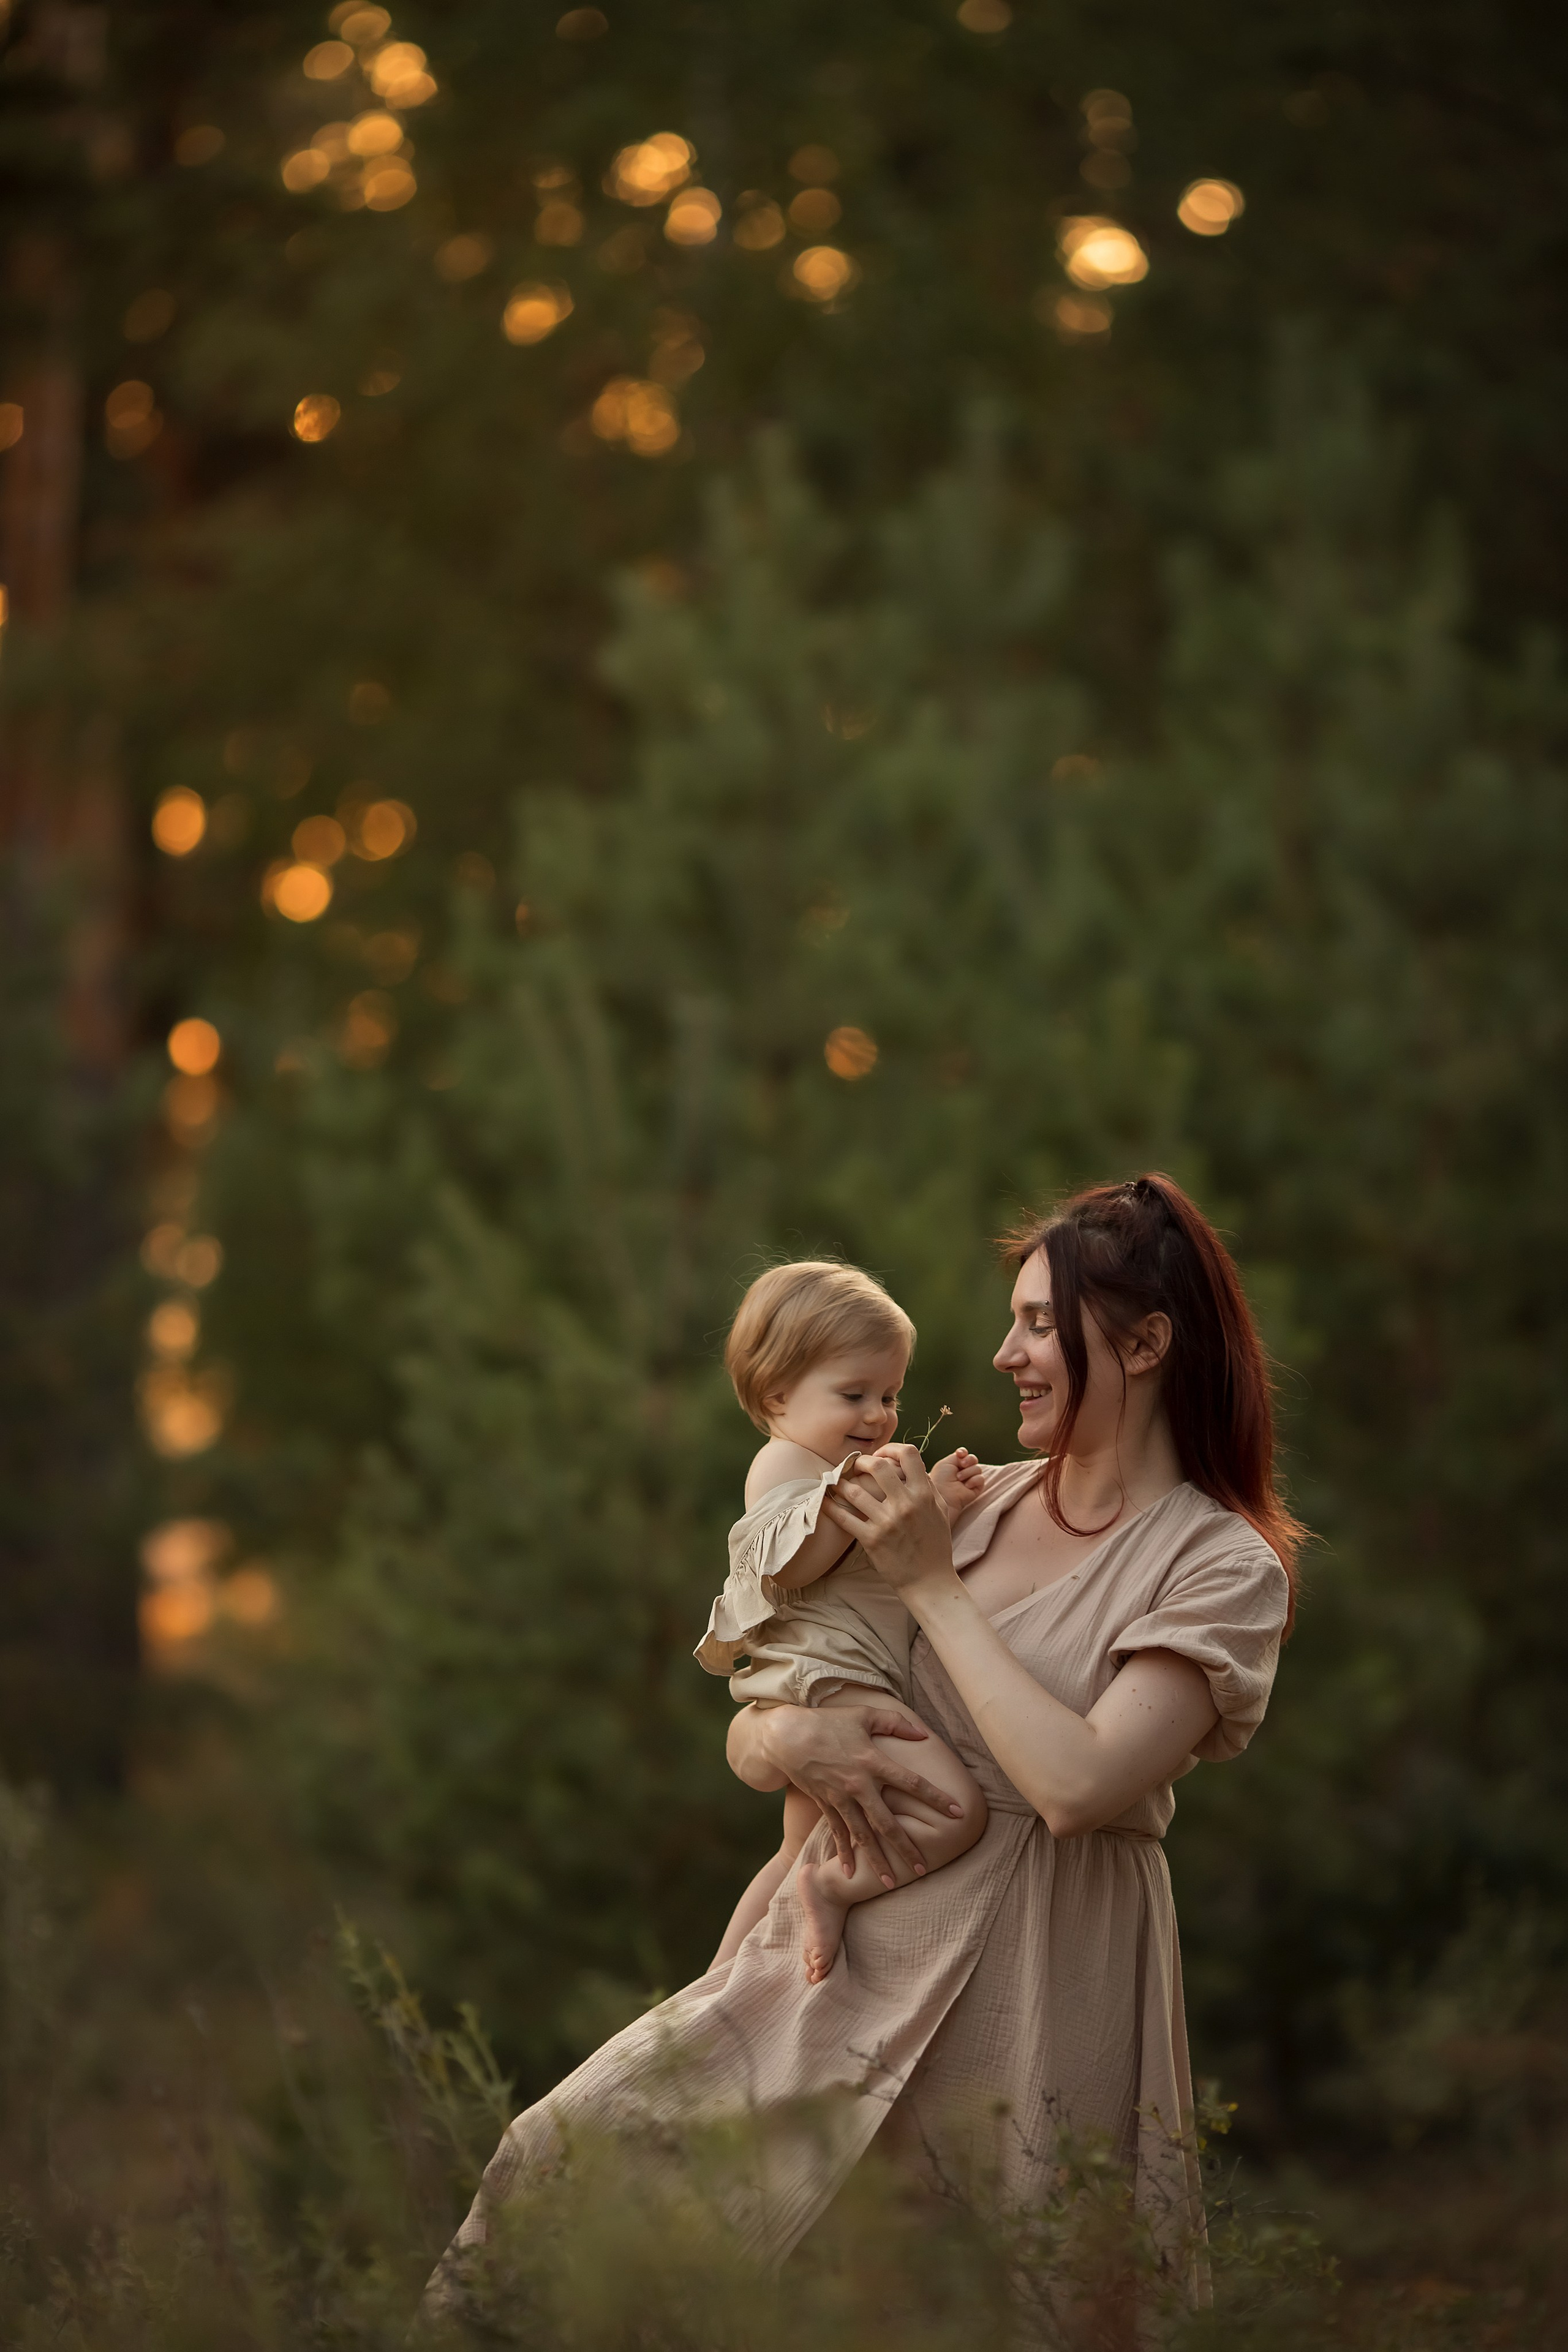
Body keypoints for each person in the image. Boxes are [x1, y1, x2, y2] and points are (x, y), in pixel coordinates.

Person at [426, 1174, 1300, 2305]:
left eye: (1039, 1324)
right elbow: (771, 1701)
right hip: (834, 1957)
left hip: (1041, 1979)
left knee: (979, 2300)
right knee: (562, 2173)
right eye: (1016, 1320)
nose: (1005, 1354)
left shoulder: (1219, 1564)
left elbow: (1078, 1785)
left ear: (1144, 1345)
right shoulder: (969, 1506)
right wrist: (787, 1733)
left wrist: (932, 1586)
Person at [696, 1260, 989, 1983]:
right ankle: (836, 1887)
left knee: (795, 1846)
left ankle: (709, 1991)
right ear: (778, 1394)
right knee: (956, 1814)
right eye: (853, 1394)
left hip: (837, 1676)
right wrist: (865, 1496)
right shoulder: (783, 1465)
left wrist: (937, 1503)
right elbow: (793, 1566)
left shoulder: (833, 1476)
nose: (878, 1416)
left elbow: (887, 1556)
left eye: (889, 1395)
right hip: (830, 1677)